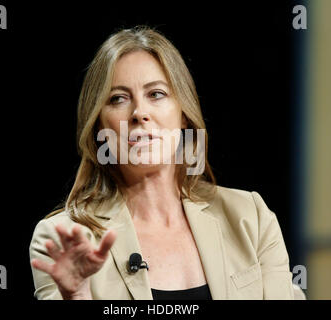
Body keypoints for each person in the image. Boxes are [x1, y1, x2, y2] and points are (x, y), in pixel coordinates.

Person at [29, 26, 295, 300]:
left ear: (183, 114)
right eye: (118, 98)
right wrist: (77, 296)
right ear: (99, 126)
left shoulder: (250, 217)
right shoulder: (63, 238)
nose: (139, 113)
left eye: (155, 94)